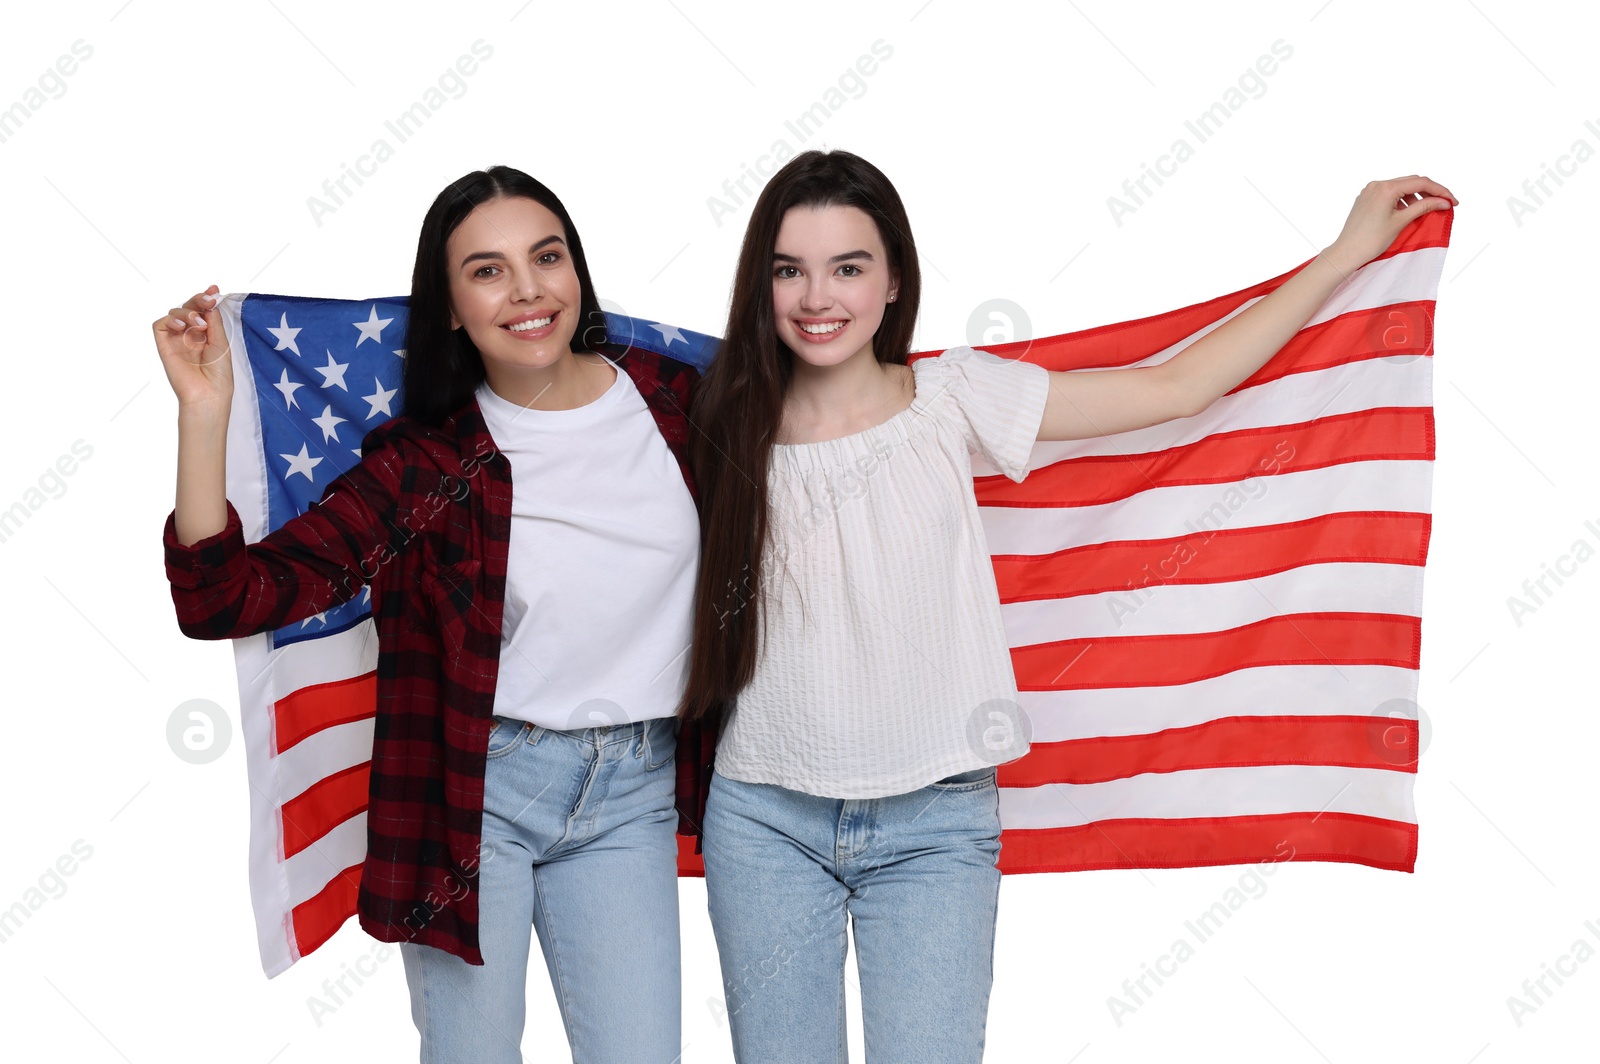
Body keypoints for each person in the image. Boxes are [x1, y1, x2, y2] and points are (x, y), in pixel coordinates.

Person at [677, 149, 1455, 1062]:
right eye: (789, 269)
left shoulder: (955, 396)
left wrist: (1345, 251)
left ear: (894, 281)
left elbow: (1176, 390)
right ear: (759, 283)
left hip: (934, 824)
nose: (819, 296)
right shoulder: (716, 419)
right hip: (766, 821)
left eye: (848, 266)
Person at [156, 165, 705, 1064]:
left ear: (578, 272)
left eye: (547, 257)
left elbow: (831, 419)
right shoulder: (427, 466)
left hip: (632, 790)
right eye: (487, 271)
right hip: (475, 793)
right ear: (449, 307)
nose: (528, 290)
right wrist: (203, 416)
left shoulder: (678, 401)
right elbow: (223, 597)